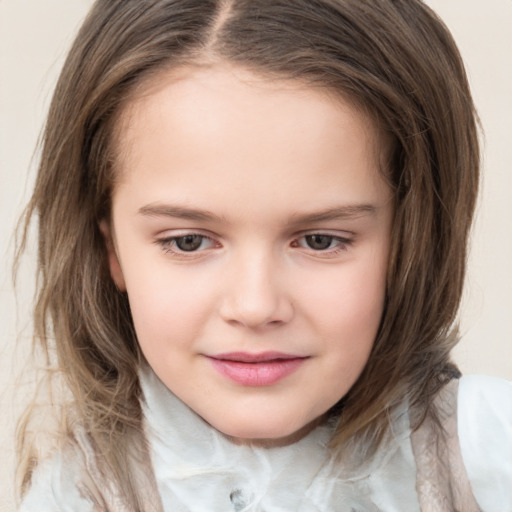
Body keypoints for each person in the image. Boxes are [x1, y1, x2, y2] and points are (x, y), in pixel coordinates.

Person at [15, 0, 511, 510]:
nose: (255, 306)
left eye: (320, 240)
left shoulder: (490, 455)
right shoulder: (71, 496)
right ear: (111, 250)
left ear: (410, 240)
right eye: (188, 241)